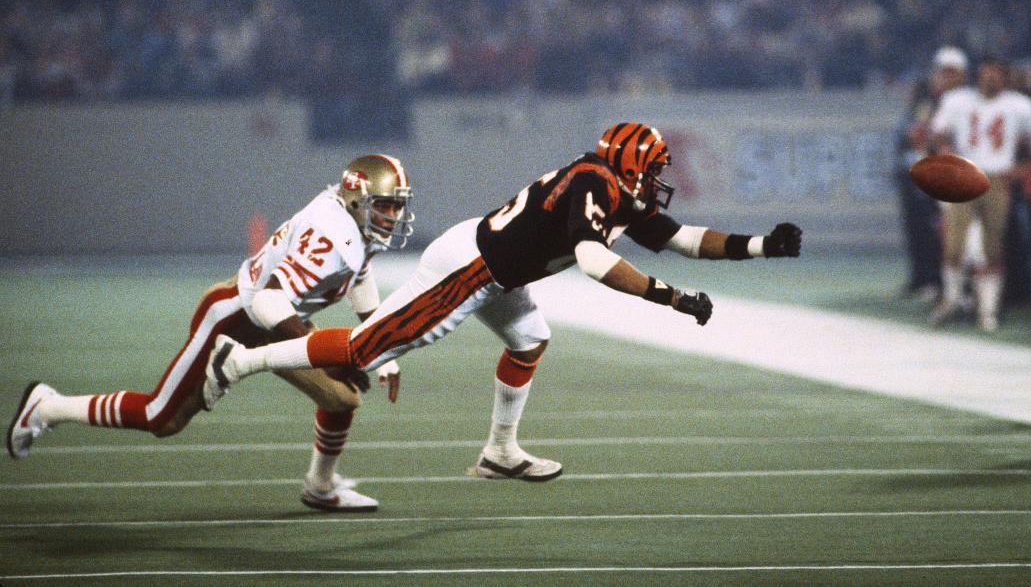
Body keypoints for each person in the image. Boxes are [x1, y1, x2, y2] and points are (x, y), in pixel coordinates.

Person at [200, 123, 803, 480]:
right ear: (626, 165)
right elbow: (593, 261)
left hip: (496, 270)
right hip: (471, 268)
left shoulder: (617, 190)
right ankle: (240, 360)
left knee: (530, 338)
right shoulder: (594, 182)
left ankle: (499, 452)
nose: (655, 182)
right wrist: (671, 300)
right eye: (650, 170)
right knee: (363, 348)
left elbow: (683, 239)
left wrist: (760, 247)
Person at [7, 155, 414, 511]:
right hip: (233, 319)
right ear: (359, 198)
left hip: (276, 322)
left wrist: (382, 346)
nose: (393, 217)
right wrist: (324, 353)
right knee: (160, 418)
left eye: (397, 206)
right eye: (387, 206)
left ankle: (320, 487)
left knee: (341, 397)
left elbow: (359, 272)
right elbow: (267, 303)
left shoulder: (349, 219)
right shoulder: (333, 236)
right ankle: (47, 407)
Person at [929, 57, 1031, 331]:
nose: (990, 79)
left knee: (992, 247)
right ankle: (953, 298)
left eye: (996, 74)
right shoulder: (957, 101)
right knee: (955, 243)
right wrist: (945, 149)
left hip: (997, 178)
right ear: (977, 76)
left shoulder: (1019, 106)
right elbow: (936, 134)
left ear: (1004, 78)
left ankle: (988, 310)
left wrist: (1020, 169)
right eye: (986, 74)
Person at [895, 46, 969, 302]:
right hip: (927, 172)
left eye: (950, 73)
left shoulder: (967, 101)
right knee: (926, 230)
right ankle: (928, 279)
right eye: (941, 72)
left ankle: (953, 285)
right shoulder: (927, 101)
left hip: (956, 173)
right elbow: (914, 135)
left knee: (955, 233)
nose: (943, 78)